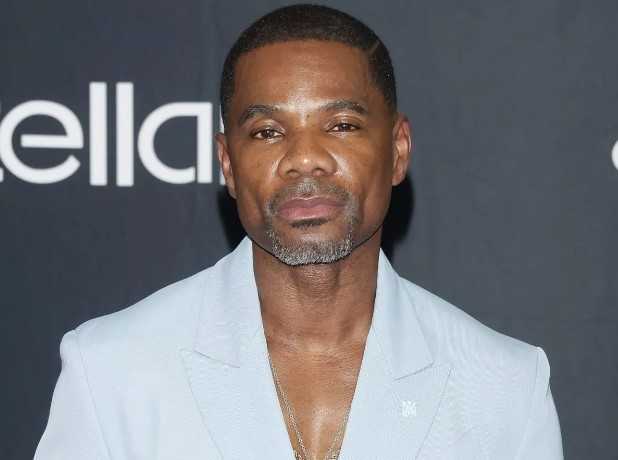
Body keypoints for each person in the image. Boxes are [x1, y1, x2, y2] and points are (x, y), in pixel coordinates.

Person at [34, 4, 564, 460]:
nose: (305, 158)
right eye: (267, 132)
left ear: (398, 149)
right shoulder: (111, 369)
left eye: (342, 125)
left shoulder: (506, 387)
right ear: (227, 163)